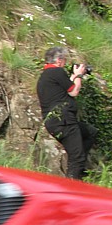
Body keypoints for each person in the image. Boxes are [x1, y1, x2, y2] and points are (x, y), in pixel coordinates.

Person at [36, 46, 97, 180]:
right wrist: (79, 75)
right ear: (59, 60)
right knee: (77, 157)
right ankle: (72, 182)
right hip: (64, 121)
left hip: (55, 121)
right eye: (64, 60)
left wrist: (74, 76)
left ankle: (78, 168)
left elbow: (67, 87)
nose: (65, 62)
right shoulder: (57, 71)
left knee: (90, 132)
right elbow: (74, 92)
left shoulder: (46, 75)